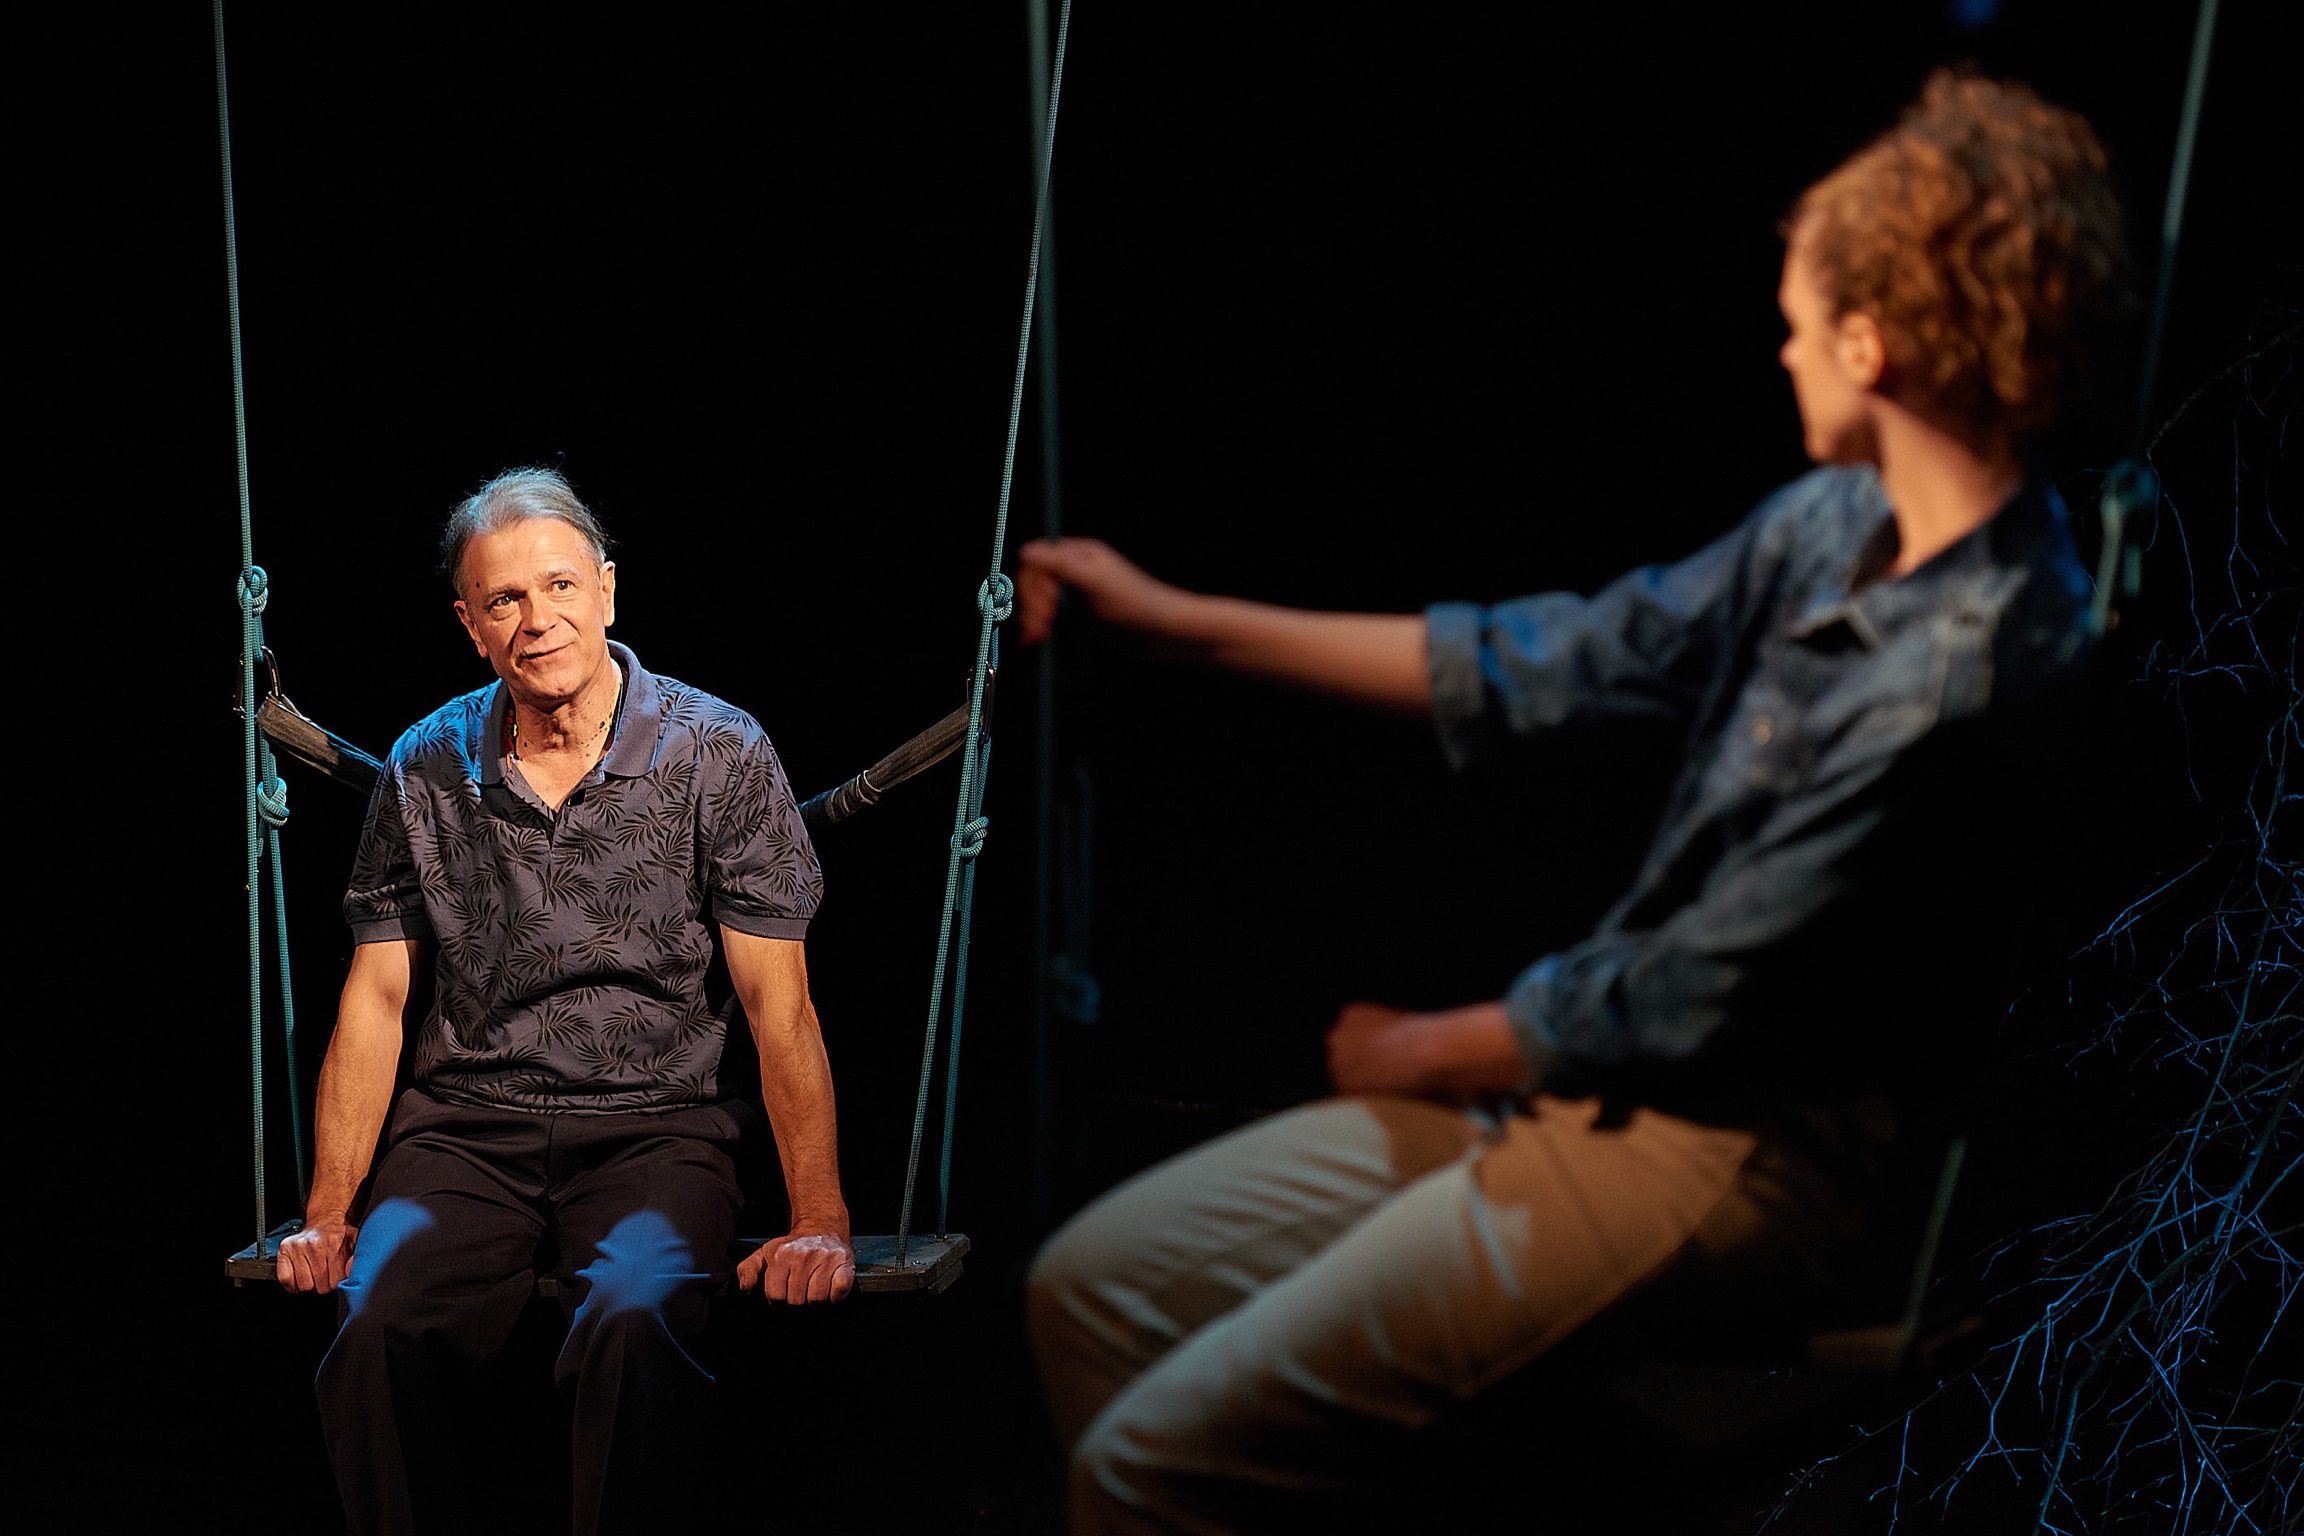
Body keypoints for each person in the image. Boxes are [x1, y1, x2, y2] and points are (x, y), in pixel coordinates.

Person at [1020, 71, 2127, 1531]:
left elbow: (1701, 986)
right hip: (1593, 1086)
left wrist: (1429, 1047)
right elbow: (1556, 659)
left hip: (1748, 1157)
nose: (1785, 346)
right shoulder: (1836, 520)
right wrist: (1177, 624)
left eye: (1801, 320)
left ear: (1874, 344)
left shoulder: (1971, 669)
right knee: (1093, 1290)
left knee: (1147, 1465)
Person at [275, 468, 855, 1534]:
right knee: (373, 1327)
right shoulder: (425, 762)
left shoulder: (719, 750)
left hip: (660, 1128)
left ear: (607, 591)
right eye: (504, 600)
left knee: (635, 1321)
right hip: (465, 1133)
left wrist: (820, 1219)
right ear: (471, 626)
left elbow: (780, 1007)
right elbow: (377, 999)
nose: (537, 620)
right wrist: (326, 1213)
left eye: (559, 586)